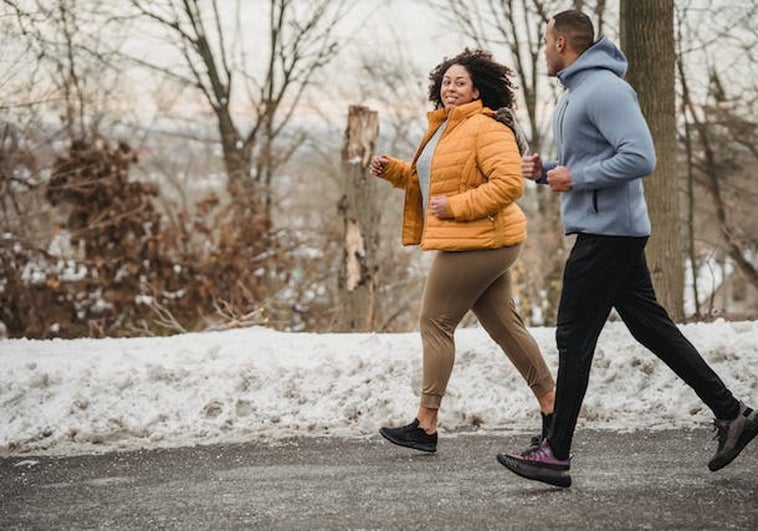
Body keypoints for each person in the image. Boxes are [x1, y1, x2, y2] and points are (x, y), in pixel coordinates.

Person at [497, 9, 758, 488]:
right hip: (608, 228)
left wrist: (577, 177)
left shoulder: (606, 90)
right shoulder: (580, 92)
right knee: (650, 328)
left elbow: (640, 156)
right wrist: (547, 170)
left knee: (573, 337)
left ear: (560, 44)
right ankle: (732, 413)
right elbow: (594, 158)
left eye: (544, 43)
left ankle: (555, 452)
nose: (542, 51)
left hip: (607, 234)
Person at [370, 49, 556, 454]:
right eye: (446, 81)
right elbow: (433, 182)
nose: (450, 88)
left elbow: (509, 184)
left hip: (478, 240)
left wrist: (455, 207)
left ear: (478, 90)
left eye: (460, 83)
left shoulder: (486, 128)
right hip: (480, 239)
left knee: (435, 323)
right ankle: (553, 409)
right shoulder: (445, 128)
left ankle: (426, 424)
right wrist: (394, 171)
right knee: (504, 326)